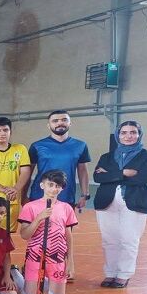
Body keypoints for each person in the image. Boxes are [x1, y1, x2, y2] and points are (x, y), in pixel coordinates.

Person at [26, 110, 91, 281]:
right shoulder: (37, 146)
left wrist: (85, 194)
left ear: (69, 123)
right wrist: (23, 194)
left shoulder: (80, 145)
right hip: (39, 196)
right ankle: (33, 264)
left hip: (66, 197)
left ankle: (65, 266)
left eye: (64, 120)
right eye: (55, 121)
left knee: (63, 234)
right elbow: (28, 172)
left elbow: (82, 171)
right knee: (36, 232)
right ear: (49, 125)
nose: (60, 123)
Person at [93, 120, 147, 289]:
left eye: (133, 132)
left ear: (139, 135)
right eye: (124, 132)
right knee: (109, 240)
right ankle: (110, 272)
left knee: (129, 239)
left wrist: (111, 175)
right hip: (106, 201)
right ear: (118, 135)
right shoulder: (106, 157)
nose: (128, 136)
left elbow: (142, 179)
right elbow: (98, 177)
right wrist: (124, 173)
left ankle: (124, 274)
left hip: (135, 201)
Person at [12, 170, 77, 294]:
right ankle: (15, 273)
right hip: (35, 255)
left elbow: (68, 236)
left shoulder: (66, 208)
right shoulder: (30, 207)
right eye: (50, 184)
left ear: (62, 188)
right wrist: (38, 218)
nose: (54, 189)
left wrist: (70, 261)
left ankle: (46, 280)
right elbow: (24, 235)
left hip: (57, 256)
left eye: (58, 186)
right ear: (42, 185)